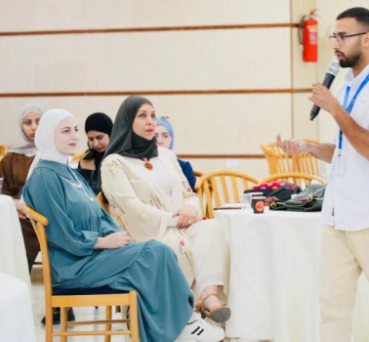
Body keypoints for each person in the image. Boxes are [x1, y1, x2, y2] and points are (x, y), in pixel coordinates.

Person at [277, 7, 369, 342]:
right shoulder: (345, 86)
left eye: (343, 36)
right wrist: (308, 147)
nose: (335, 44)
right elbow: (346, 151)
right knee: (332, 307)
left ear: (367, 39)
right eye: (334, 36)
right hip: (337, 212)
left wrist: (334, 108)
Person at [23, 108, 223, 342]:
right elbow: (60, 233)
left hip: (91, 256)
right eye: (66, 131)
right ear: (48, 135)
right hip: (74, 265)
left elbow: (99, 216)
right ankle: (186, 324)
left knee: (161, 252)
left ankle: (178, 328)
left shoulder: (69, 172)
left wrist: (118, 237)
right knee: (155, 252)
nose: (75, 136)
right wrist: (102, 242)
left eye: (76, 130)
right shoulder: (44, 177)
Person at [102, 98, 230, 322]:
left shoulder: (165, 155)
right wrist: (174, 220)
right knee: (177, 246)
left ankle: (209, 298)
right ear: (127, 121)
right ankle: (183, 315)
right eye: (142, 116)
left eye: (153, 115)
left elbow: (189, 193)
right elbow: (129, 208)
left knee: (212, 228)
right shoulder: (114, 163)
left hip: (179, 226)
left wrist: (189, 208)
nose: (150, 121)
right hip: (146, 235)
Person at [0, 103, 44, 272]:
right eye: (27, 122)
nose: (34, 127)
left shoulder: (53, 154)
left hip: (46, 212)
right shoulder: (11, 158)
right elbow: (0, 192)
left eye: (39, 121)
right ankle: (16, 276)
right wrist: (14, 204)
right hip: (19, 213)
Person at [155, 116, 196, 190]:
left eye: (165, 136)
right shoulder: (144, 165)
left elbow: (191, 193)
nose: (160, 141)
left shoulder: (184, 166)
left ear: (172, 139)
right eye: (155, 137)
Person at [77, 112, 112, 195]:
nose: (95, 144)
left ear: (111, 134)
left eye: (99, 138)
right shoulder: (85, 159)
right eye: (91, 139)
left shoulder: (122, 157)